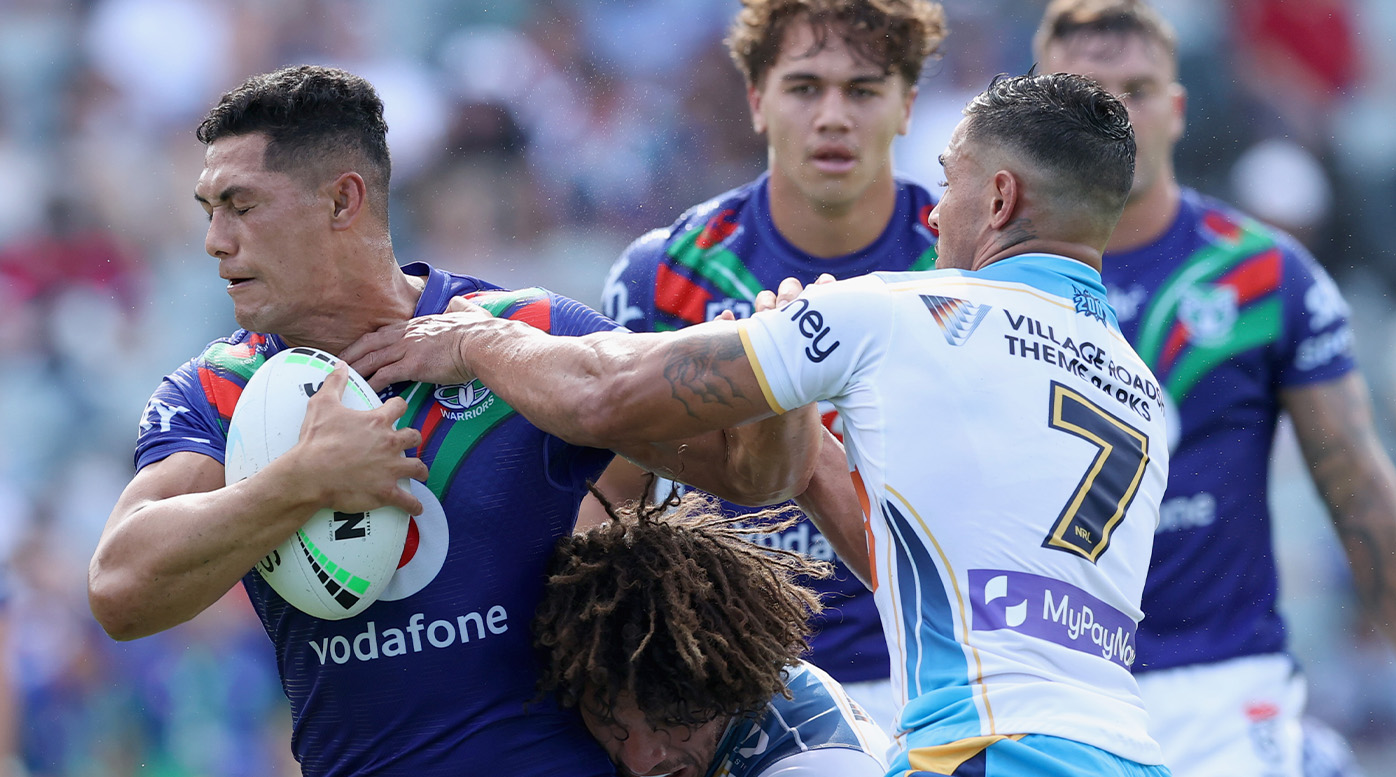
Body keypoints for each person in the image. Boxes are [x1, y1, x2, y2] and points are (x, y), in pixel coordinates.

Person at [346, 71, 1173, 776]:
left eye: (948, 181)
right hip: (1127, 750)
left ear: (999, 198)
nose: (933, 213)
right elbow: (919, 575)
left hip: (990, 750)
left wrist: (478, 340)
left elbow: (606, 393)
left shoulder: (900, 311)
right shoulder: (1135, 388)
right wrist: (801, 434)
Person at [86, 65, 828, 777]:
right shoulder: (218, 389)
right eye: (209, 210)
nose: (215, 240)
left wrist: (785, 380)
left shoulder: (524, 332)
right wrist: (303, 479)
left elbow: (754, 475)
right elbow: (119, 589)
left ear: (343, 200)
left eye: (241, 205)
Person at [1032, 0, 1396, 775]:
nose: (1114, 117)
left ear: (1177, 108)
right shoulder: (977, 286)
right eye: (1085, 96)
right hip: (1043, 692)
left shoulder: (1264, 275)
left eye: (1136, 90)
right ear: (1035, 117)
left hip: (1226, 687)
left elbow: (1361, 491)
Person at [593, 0, 946, 731]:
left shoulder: (962, 270)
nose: (833, 116)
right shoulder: (663, 273)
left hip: (932, 677)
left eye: (863, 90)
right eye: (805, 87)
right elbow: (611, 502)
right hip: (734, 692)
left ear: (907, 105)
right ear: (757, 100)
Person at [534, 484, 891, 777]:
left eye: (670, 717)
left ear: (729, 685)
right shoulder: (588, 684)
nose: (640, 761)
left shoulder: (820, 766)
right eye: (608, 719)